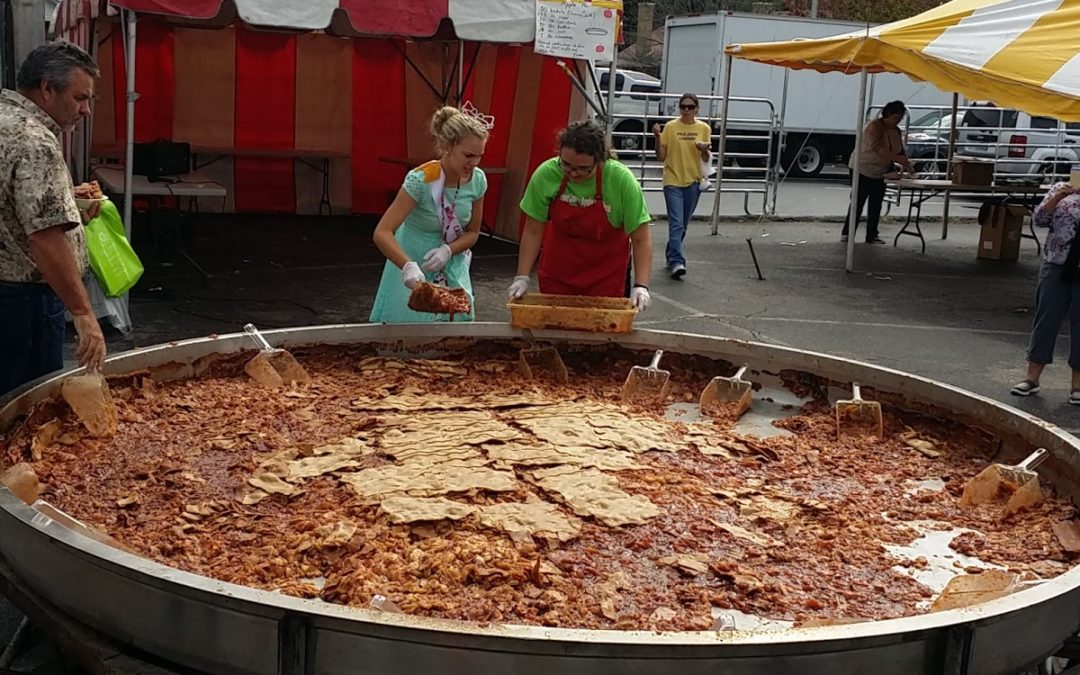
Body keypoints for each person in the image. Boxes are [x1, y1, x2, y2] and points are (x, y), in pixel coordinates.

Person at [0, 40, 106, 397]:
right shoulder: (34, 141)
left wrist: (66, 201)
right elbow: (45, 236)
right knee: (27, 408)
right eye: (80, 98)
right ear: (47, 89)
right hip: (23, 303)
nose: (86, 110)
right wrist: (83, 313)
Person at [508, 121, 652, 309]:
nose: (573, 173)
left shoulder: (621, 181)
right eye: (566, 165)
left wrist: (641, 285)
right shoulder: (546, 174)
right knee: (555, 330)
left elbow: (641, 239)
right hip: (558, 272)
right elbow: (533, 230)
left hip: (606, 276)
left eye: (583, 169)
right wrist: (522, 276)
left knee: (603, 332)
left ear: (600, 160)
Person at [370, 105, 490, 323]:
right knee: (409, 333)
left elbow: (473, 232)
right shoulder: (421, 180)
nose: (474, 163)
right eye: (468, 155)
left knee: (454, 337)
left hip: (452, 266)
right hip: (414, 265)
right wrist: (407, 266)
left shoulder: (478, 180)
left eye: (479, 156)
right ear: (447, 146)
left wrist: (448, 250)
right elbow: (383, 232)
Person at [1011, 182, 1080, 405]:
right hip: (1057, 263)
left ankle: (1078, 384)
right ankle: (1032, 377)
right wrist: (1057, 197)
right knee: (1046, 318)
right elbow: (1039, 219)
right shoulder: (1061, 188)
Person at [652, 93, 711, 279]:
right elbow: (661, 156)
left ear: (696, 109)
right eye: (683, 107)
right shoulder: (670, 127)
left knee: (683, 224)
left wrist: (703, 150)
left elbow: (707, 159)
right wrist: (656, 137)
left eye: (690, 107)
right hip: (672, 179)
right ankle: (678, 261)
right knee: (676, 223)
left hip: (693, 180)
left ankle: (671, 255)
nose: (686, 110)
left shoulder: (703, 128)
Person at [842, 100, 914, 244]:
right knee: (858, 202)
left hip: (881, 171)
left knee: (876, 204)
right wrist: (900, 160)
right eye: (896, 116)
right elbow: (878, 148)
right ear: (888, 114)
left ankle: (872, 234)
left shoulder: (896, 130)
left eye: (901, 117)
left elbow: (899, 150)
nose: (898, 120)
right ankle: (847, 234)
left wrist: (908, 166)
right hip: (862, 167)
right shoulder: (874, 126)